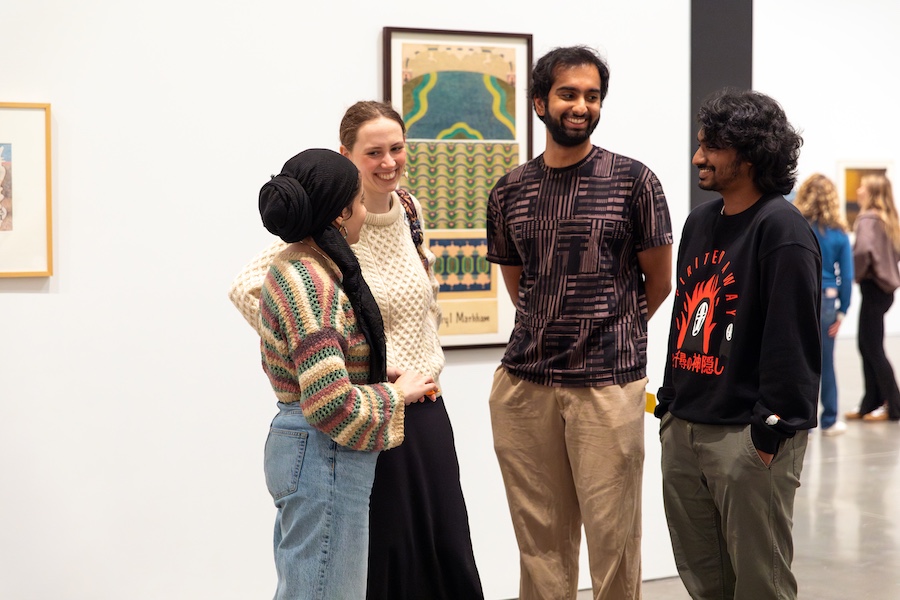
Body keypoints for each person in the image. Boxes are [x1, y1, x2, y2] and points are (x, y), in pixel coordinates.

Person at [230, 102, 484, 599]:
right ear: (346, 156)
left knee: (444, 549)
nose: (388, 162)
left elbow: (425, 294)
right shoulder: (320, 241)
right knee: (366, 561)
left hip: (418, 400)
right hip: (366, 409)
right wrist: (317, 356)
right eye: (374, 152)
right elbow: (248, 288)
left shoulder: (408, 208)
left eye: (397, 148)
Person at [485, 45, 673, 600]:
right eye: (568, 94)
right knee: (539, 542)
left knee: (614, 542)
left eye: (592, 96)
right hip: (525, 386)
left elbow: (659, 282)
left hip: (607, 386)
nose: (581, 106)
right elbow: (521, 286)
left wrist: (609, 331)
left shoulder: (634, 181)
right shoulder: (509, 190)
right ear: (540, 102)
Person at [655, 88, 820, 600]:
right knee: (705, 581)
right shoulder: (700, 222)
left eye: (712, 147)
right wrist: (669, 407)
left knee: (759, 585)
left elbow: (793, 342)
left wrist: (770, 434)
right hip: (686, 427)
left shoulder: (783, 229)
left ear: (749, 156)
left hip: (746, 438)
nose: (697, 157)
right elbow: (684, 316)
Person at [252, 148, 437, 599]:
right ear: (340, 214)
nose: (364, 212)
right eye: (358, 202)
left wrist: (371, 367)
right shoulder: (312, 282)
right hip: (323, 455)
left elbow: (311, 360)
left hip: (309, 451)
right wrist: (398, 394)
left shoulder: (296, 265)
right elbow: (330, 403)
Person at [794, 173, 853, 436]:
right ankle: (829, 420)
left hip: (799, 296)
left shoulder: (797, 227)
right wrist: (842, 311)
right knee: (825, 362)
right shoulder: (839, 235)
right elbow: (847, 277)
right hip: (827, 301)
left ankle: (800, 421)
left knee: (798, 359)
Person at [846, 173, 900, 422]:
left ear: (872, 193)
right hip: (885, 291)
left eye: (863, 188)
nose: (858, 191)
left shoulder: (868, 218)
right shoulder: (889, 219)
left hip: (873, 287)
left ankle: (893, 405)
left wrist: (855, 274)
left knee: (872, 347)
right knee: (868, 345)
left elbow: (862, 251)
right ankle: (871, 402)